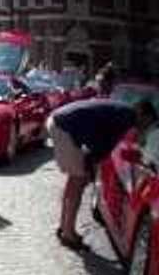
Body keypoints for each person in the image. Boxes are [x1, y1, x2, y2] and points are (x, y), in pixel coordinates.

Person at [47, 98, 158, 251]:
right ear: (143, 115)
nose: (145, 127)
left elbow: (100, 140)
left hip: (61, 121)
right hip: (64, 127)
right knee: (78, 183)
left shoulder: (123, 111)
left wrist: (91, 163)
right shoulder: (127, 118)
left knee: (74, 181)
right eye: (148, 123)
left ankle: (64, 227)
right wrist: (92, 167)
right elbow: (104, 145)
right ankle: (68, 234)